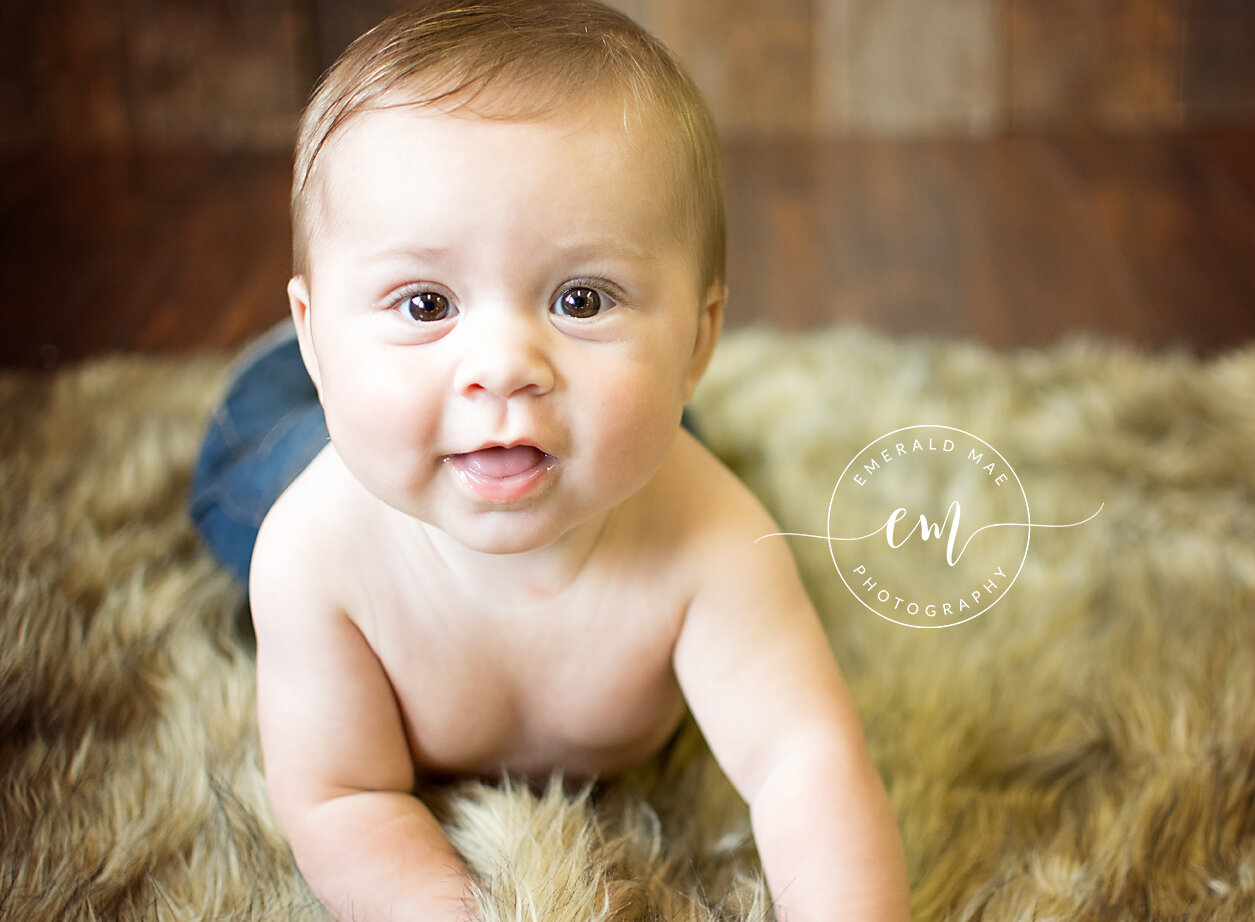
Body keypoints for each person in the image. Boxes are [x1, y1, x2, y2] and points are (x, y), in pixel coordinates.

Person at [189, 2, 910, 919]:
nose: (501, 368)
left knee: (652, 438)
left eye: (579, 297)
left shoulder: (715, 541)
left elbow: (805, 760)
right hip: (306, 438)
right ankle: (322, 353)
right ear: (316, 340)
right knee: (264, 467)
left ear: (701, 338)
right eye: (426, 303)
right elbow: (343, 798)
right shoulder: (312, 551)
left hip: (609, 449)